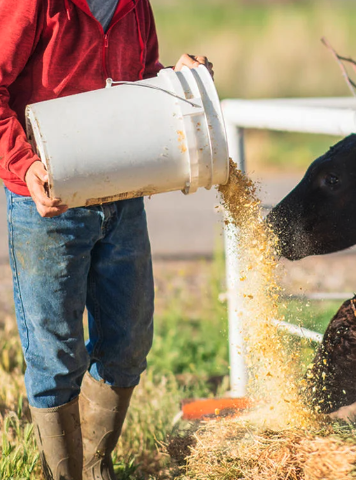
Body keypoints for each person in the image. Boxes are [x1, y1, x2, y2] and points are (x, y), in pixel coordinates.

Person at [0, 1, 213, 479]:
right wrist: (25, 165)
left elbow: (138, 82)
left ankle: (95, 466)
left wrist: (176, 82)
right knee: (56, 355)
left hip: (121, 195)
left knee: (128, 342)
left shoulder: (134, 5)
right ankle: (61, 473)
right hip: (48, 200)